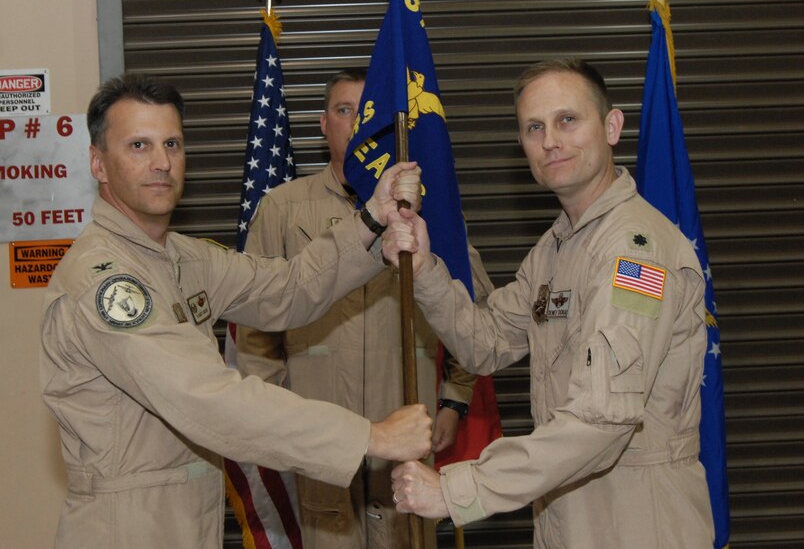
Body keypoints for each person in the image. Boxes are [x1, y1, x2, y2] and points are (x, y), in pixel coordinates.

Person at [39, 73, 433, 549]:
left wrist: (370, 219)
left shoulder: (181, 256)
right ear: (98, 163)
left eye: (171, 144)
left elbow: (286, 288)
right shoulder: (103, 280)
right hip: (126, 526)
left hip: (186, 515)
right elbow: (206, 397)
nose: (161, 162)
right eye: (138, 145)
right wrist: (368, 437)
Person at [383, 58, 715, 548]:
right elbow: (484, 344)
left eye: (567, 120)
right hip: (566, 510)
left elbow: (602, 419)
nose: (550, 141)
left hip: (636, 520)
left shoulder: (634, 252)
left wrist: (459, 490)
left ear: (612, 127)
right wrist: (425, 268)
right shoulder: (557, 247)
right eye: (534, 128)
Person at [236, 68, 494, 549]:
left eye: (367, 113)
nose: (356, 124)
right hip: (316, 431)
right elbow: (253, 328)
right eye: (343, 110)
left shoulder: (425, 207)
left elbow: (472, 309)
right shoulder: (283, 209)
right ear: (323, 124)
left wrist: (455, 399)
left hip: (406, 423)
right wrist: (274, 419)